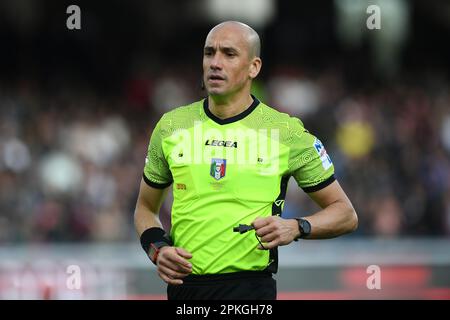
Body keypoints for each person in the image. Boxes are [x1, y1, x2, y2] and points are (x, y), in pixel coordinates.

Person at [134, 21, 358, 300]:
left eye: (229, 54)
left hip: (251, 291)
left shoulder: (285, 132)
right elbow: (145, 207)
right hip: (184, 291)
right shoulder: (171, 127)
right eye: (209, 53)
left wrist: (296, 226)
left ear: (254, 67)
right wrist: (157, 249)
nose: (215, 63)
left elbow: (345, 214)